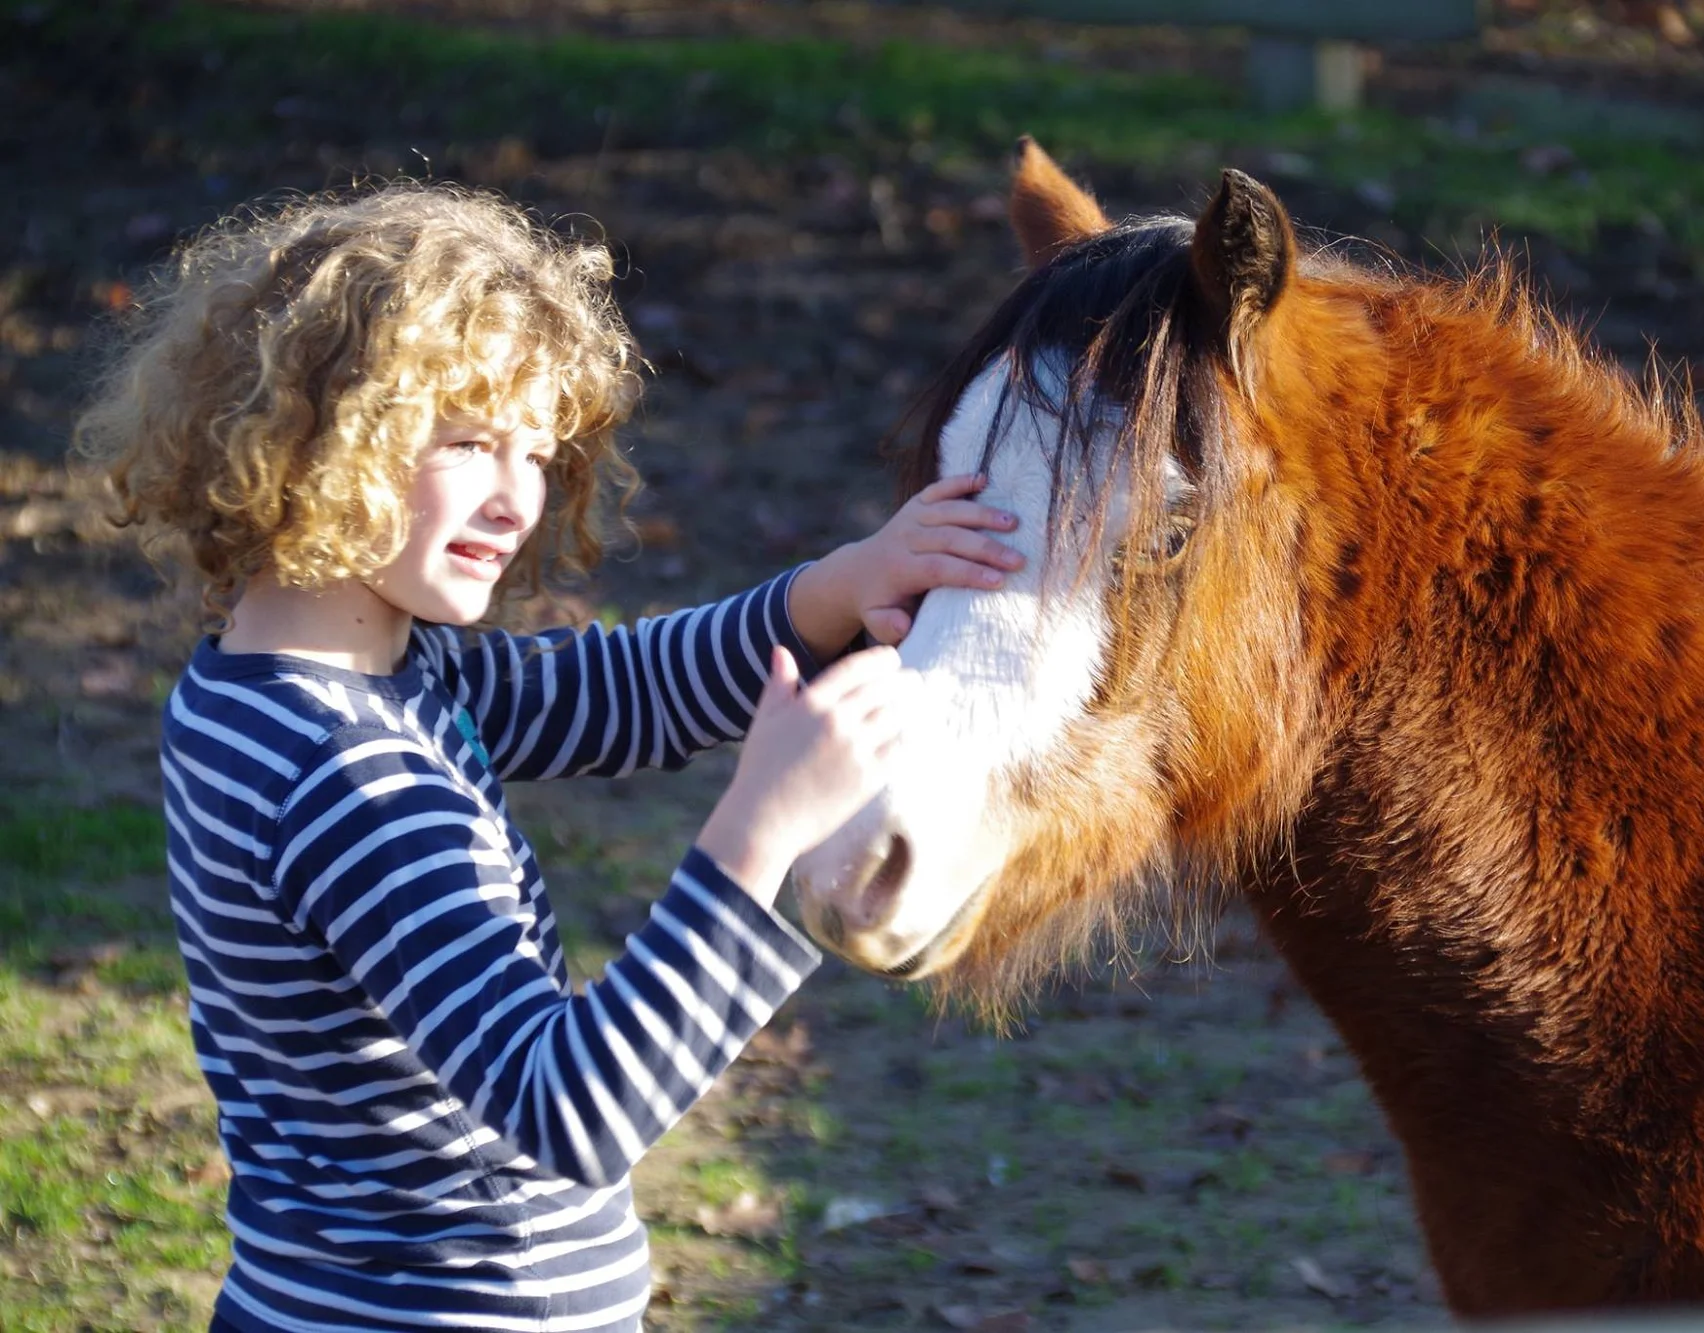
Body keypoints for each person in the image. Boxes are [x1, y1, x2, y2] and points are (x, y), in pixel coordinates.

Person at [71, 182, 1022, 1332]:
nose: (515, 496)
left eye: (537, 448)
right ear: (321, 437)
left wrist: (831, 591)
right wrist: (758, 833)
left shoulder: (311, 683)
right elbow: (571, 1108)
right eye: (468, 442)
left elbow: (606, 693)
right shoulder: (349, 779)